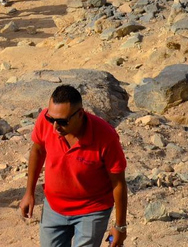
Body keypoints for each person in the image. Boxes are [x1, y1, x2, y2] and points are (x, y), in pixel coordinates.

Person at [19, 85, 128, 247]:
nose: (55, 127)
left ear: (80, 114)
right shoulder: (45, 121)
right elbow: (37, 151)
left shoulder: (105, 137)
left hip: (91, 211)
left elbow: (118, 183)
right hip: (54, 207)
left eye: (62, 121)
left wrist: (120, 226)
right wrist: (29, 193)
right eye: (51, 119)